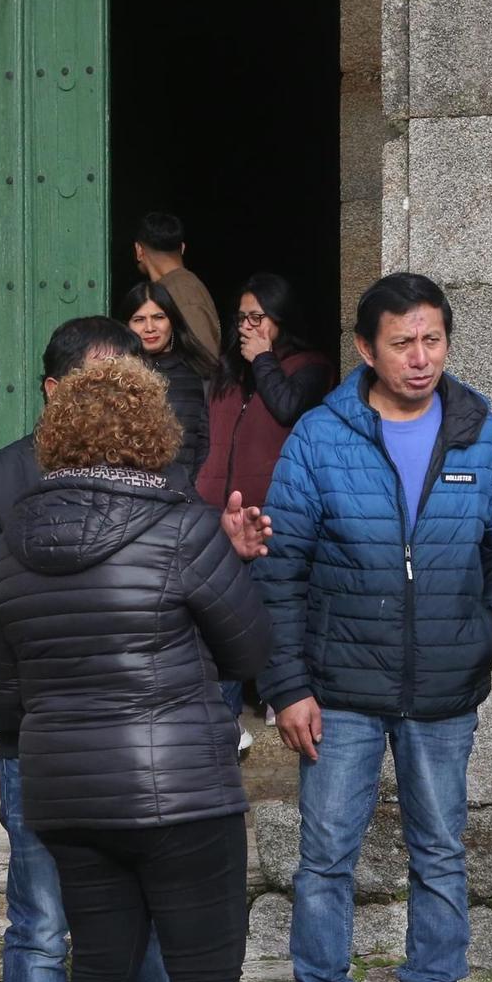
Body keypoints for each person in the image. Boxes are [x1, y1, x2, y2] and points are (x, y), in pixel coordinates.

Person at [0, 354, 296, 982]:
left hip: (66, 789)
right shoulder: (182, 529)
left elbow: (2, 692)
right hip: (179, 790)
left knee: (101, 969)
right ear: (153, 435)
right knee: (201, 971)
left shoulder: (13, 541)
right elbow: (248, 648)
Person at [254, 272, 492, 982]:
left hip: (445, 687)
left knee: (442, 852)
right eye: (403, 343)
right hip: (337, 686)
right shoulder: (320, 436)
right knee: (326, 855)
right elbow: (282, 569)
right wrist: (288, 685)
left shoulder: (481, 433)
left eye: (433, 341)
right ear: (366, 349)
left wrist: (491, 625)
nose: (421, 359)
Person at [197, 274, 335, 740]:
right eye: (242, 318)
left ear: (281, 319)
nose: (247, 327)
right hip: (222, 517)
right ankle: (223, 721)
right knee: (222, 618)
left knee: (277, 609)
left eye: (258, 317)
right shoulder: (229, 372)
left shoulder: (309, 366)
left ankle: (283, 695)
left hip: (277, 515)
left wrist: (265, 361)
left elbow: (288, 409)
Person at [121, 280, 217, 483]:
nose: (149, 328)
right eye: (139, 319)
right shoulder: (116, 375)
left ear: (172, 321)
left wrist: (196, 486)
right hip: (131, 492)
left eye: (158, 317)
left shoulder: (200, 372)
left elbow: (208, 440)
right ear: (126, 326)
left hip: (185, 492)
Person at [130, 210, 220, 359]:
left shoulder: (182, 292)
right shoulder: (176, 286)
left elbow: (205, 358)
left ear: (139, 250)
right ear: (183, 248)